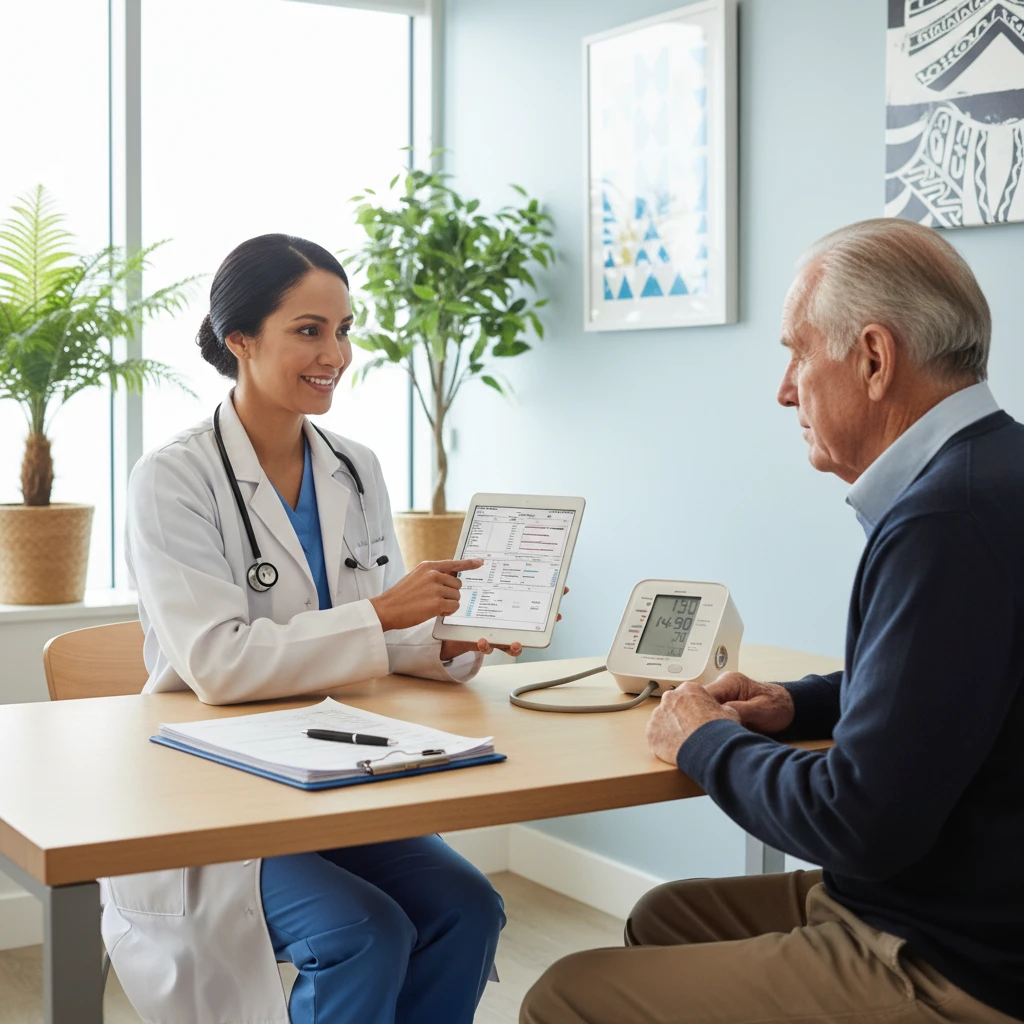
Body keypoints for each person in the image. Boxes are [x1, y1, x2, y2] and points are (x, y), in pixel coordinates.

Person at [521, 219, 1024, 1024]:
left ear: (872, 358)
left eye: (797, 353)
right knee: (664, 919)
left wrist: (705, 741)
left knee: (564, 996)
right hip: (950, 899)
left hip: (953, 957)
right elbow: (961, 689)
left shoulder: (948, 520)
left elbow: (856, 825)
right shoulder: (994, 472)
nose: (785, 389)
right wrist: (801, 704)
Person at [103, 234, 512, 1024]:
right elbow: (218, 664)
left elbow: (375, 637)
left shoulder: (353, 466)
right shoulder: (172, 479)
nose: (336, 352)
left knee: (469, 909)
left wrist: (443, 643)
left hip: (332, 770)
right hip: (217, 793)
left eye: (345, 329)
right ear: (240, 340)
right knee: (365, 932)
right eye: (309, 330)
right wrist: (386, 613)